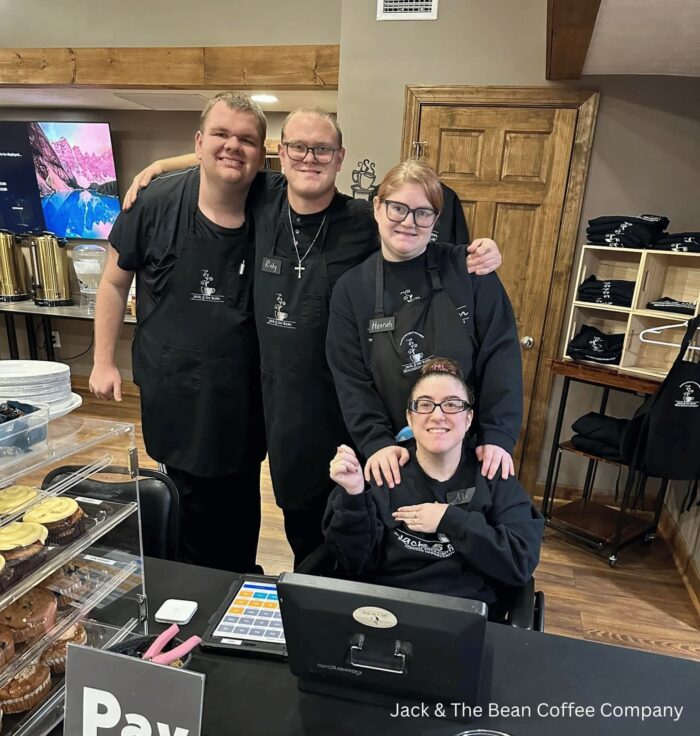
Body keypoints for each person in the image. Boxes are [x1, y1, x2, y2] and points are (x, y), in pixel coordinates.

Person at [119, 107, 503, 567]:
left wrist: (479, 253)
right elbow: (229, 154)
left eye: (322, 149)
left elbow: (419, 239)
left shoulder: (365, 219)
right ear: (281, 154)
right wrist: (162, 165)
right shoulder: (265, 197)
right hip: (290, 421)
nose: (309, 158)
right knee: (304, 537)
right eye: (298, 147)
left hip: (356, 413)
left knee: (361, 534)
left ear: (339, 157)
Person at [89, 92, 267, 573]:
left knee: (239, 512)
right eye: (220, 135)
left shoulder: (270, 200)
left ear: (261, 154)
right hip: (175, 395)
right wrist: (102, 361)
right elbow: (113, 283)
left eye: (246, 140)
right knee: (185, 512)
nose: (233, 146)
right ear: (199, 141)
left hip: (243, 401)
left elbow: (253, 156)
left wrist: (162, 161)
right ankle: (188, 589)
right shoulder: (154, 203)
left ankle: (234, 583)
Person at [326, 160, 522, 492]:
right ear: (377, 207)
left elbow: (501, 357)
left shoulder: (469, 271)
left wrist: (498, 436)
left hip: (469, 456)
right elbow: (350, 378)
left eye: (423, 213)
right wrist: (376, 442)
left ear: (436, 219)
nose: (409, 222)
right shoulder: (352, 289)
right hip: (392, 460)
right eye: (398, 208)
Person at [325, 358, 543, 609]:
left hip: (464, 615)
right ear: (410, 417)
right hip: (385, 611)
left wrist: (450, 520)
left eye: (451, 404)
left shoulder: (493, 474)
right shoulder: (382, 473)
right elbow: (353, 564)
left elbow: (520, 562)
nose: (438, 415)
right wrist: (353, 496)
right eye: (425, 404)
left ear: (469, 418)